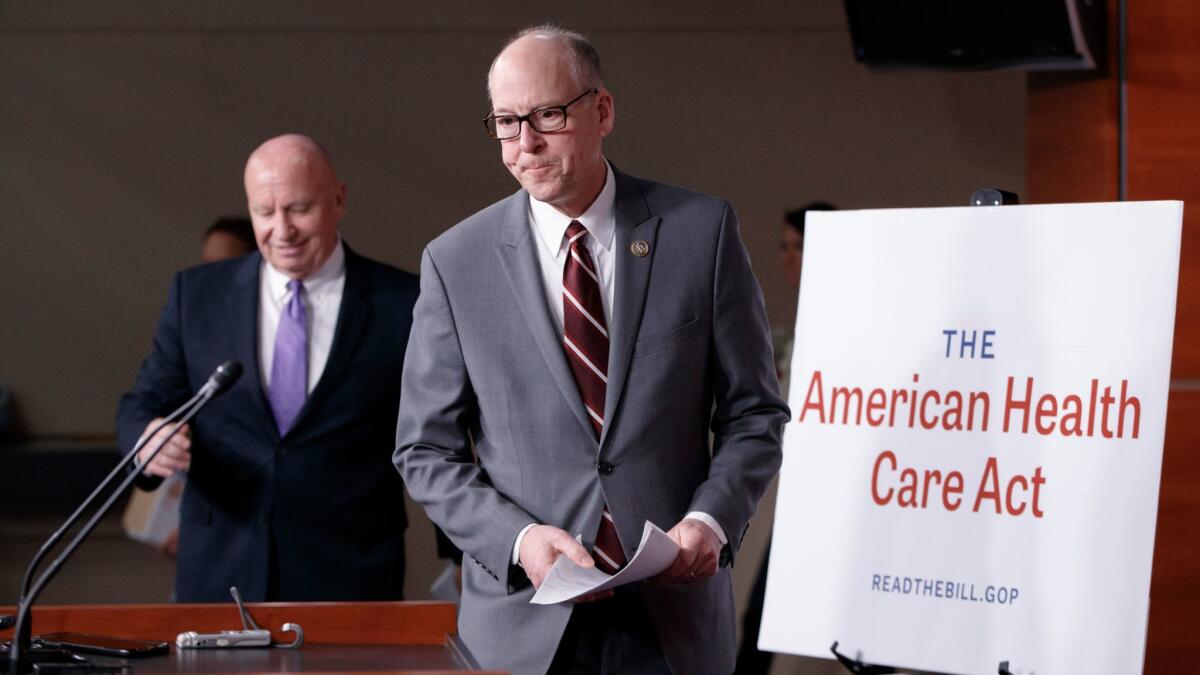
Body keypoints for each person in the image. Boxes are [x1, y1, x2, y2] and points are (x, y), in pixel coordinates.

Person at [394, 26, 789, 674]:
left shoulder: (700, 232)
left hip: (673, 619)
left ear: (602, 111)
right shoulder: (455, 262)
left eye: (547, 114)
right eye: (505, 122)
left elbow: (754, 413)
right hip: (525, 623)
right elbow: (424, 449)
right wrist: (518, 540)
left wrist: (711, 521)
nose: (526, 143)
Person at [117, 134, 418, 602]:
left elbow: (443, 435)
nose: (282, 230)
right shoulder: (196, 297)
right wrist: (147, 438)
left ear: (338, 199)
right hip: (220, 569)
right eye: (264, 212)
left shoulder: (403, 304)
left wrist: (463, 557)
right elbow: (144, 401)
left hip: (350, 576)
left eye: (299, 209)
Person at [735, 202, 836, 675]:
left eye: (799, 246)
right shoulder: (800, 322)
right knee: (759, 609)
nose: (787, 258)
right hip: (783, 485)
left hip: (821, 491)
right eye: (785, 247)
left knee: (766, 611)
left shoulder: (843, 322)